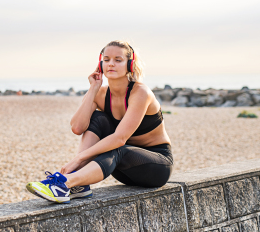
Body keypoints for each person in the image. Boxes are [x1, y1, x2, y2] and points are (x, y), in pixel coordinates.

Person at [26, 40, 173, 203]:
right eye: (106, 59)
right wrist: (93, 88)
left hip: (156, 167)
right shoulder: (101, 93)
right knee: (97, 118)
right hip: (121, 167)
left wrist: (78, 159)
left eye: (118, 60)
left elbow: (119, 139)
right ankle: (79, 187)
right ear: (100, 63)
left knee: (117, 146)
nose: (111, 64)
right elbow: (77, 127)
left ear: (130, 64)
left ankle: (66, 183)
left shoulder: (140, 92)